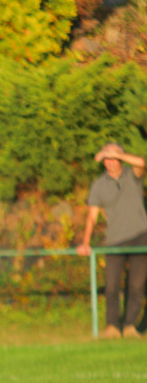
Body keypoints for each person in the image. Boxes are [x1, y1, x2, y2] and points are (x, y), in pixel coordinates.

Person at [77, 143, 147, 339]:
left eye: (114, 157)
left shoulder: (133, 175)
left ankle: (130, 326)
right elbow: (92, 217)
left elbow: (142, 162)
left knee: (136, 285)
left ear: (121, 157)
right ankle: (112, 327)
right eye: (106, 158)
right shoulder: (99, 185)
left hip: (140, 236)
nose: (110, 161)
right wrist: (85, 242)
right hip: (115, 240)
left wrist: (117, 153)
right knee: (112, 285)